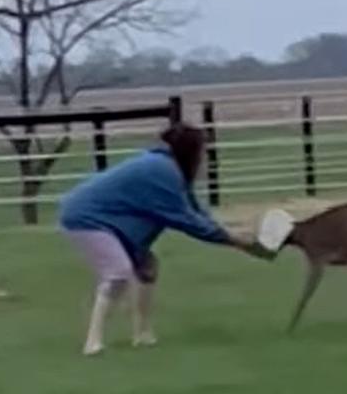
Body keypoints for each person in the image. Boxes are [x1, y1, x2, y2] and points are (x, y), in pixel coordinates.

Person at [59, 122, 264, 355]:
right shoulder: (162, 171)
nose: (206, 158)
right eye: (203, 151)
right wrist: (235, 241)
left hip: (112, 220)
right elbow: (187, 221)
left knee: (147, 268)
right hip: (86, 218)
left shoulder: (171, 170)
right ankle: (93, 342)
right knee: (118, 272)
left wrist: (233, 235)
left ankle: (142, 334)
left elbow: (196, 211)